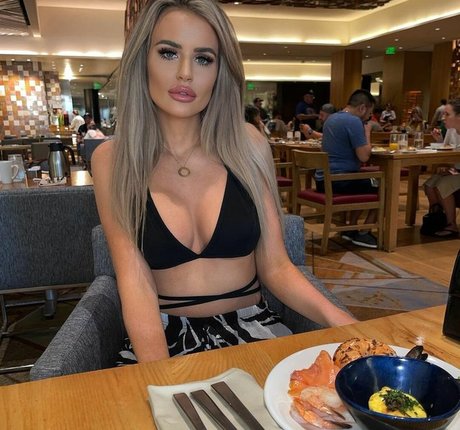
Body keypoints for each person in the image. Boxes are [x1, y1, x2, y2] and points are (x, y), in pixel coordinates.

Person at [91, 0, 355, 364]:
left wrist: (346, 323)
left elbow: (277, 267)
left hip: (255, 333)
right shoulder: (112, 159)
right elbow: (134, 280)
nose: (185, 73)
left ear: (220, 71)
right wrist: (159, 377)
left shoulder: (248, 144)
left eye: (203, 58)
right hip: (162, 342)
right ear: (143, 60)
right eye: (168, 53)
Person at [316, 89, 378, 249]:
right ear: (362, 108)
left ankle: (351, 228)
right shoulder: (353, 121)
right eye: (369, 113)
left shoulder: (331, 118)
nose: (368, 118)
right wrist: (367, 132)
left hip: (323, 179)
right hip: (339, 180)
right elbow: (364, 156)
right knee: (384, 185)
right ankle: (364, 232)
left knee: (363, 181)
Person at [423, 99, 460, 237]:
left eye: (447, 114)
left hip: (458, 172)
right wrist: (439, 140)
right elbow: (447, 149)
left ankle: (452, 225)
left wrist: (453, 170)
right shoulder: (451, 130)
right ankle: (438, 219)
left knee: (443, 184)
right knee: (429, 184)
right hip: (455, 170)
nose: (443, 117)